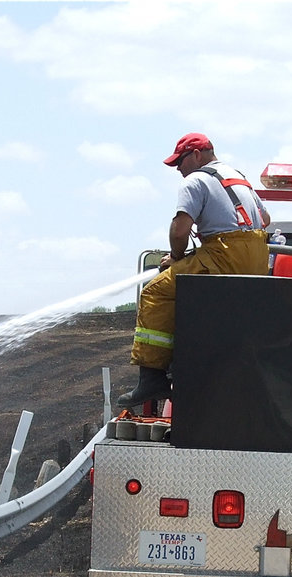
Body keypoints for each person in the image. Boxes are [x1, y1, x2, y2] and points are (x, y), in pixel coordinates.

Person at [117, 133, 272, 408]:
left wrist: (176, 258)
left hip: (224, 256)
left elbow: (179, 231)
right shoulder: (237, 177)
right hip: (256, 260)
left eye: (180, 161)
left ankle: (151, 378)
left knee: (156, 292)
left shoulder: (196, 180)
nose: (178, 169)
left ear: (197, 155)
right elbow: (266, 220)